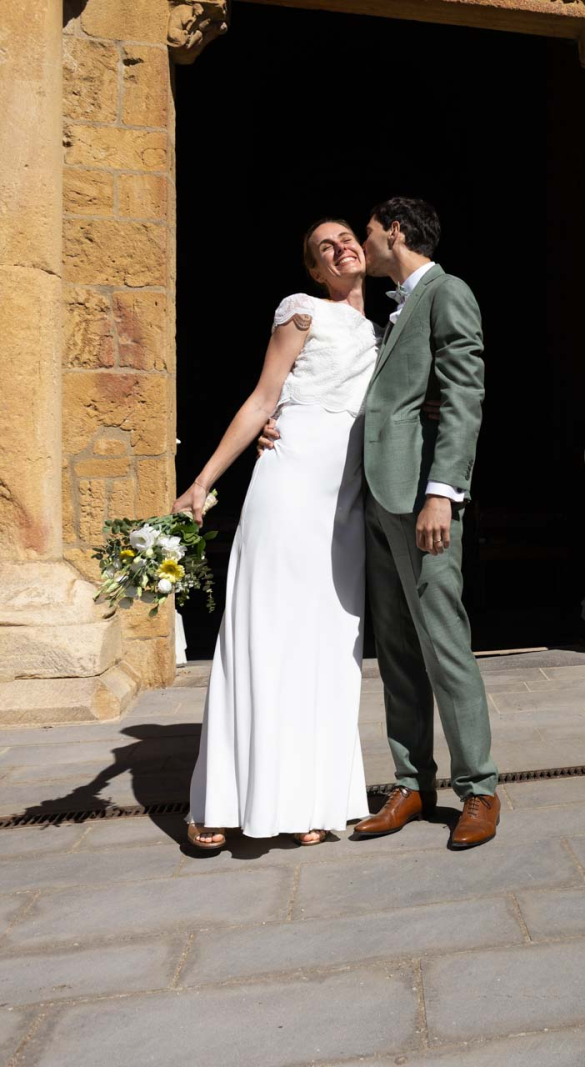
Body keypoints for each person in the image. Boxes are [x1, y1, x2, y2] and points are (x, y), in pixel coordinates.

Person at [259, 197, 500, 850]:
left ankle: (478, 788)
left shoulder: (447, 293)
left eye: (366, 232)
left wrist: (442, 494)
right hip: (376, 500)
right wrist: (277, 416)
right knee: (395, 649)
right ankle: (412, 781)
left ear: (394, 232)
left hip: (421, 502)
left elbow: (463, 396)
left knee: (444, 642)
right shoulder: (389, 312)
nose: (361, 243)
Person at [178, 219, 377, 849]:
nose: (341, 246)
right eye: (326, 246)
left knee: (327, 644)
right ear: (315, 271)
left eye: (348, 236)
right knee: (266, 631)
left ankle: (308, 798)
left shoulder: (385, 330)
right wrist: (203, 482)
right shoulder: (302, 312)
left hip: (344, 500)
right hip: (289, 482)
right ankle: (221, 798)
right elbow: (264, 399)